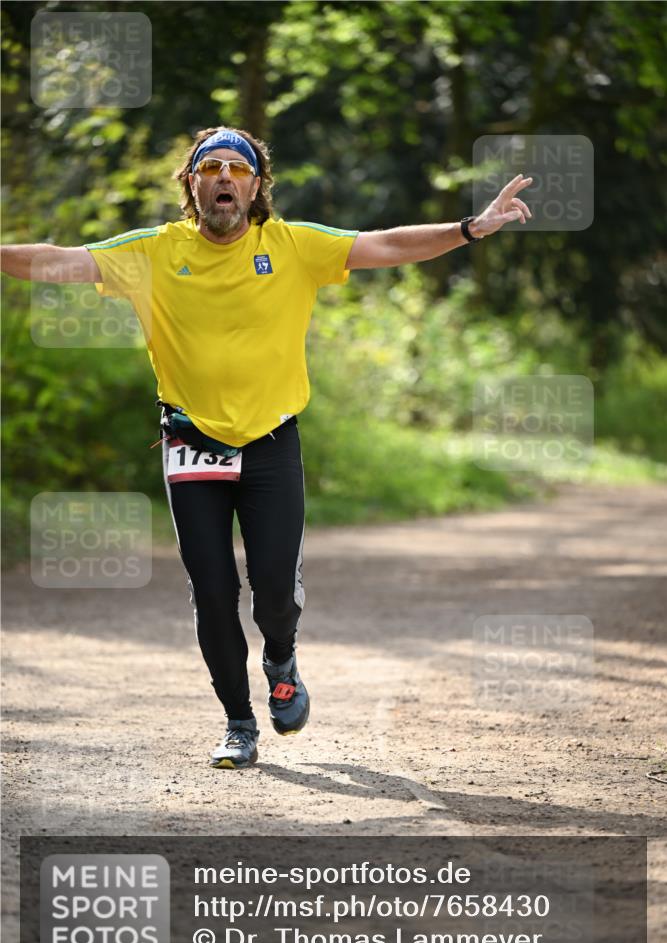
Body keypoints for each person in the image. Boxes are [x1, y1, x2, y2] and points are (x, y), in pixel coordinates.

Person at [1, 126, 532, 769]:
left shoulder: (294, 246)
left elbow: (386, 244)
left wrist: (470, 229)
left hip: (272, 440)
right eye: (210, 168)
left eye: (237, 169)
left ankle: (281, 657)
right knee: (212, 588)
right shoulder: (150, 252)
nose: (224, 177)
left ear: (256, 187)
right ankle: (237, 721)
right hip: (192, 440)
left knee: (273, 589)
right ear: (192, 186)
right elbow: (59, 260)